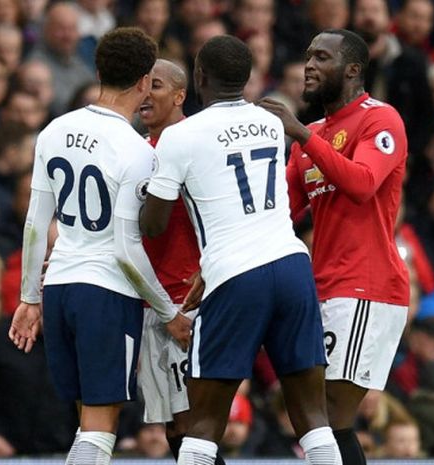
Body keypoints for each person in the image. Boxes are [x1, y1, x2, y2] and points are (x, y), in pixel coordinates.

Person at [141, 35, 340, 465]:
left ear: (199, 77)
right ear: (247, 77)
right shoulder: (270, 122)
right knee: (313, 417)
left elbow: (154, 224)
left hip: (234, 274)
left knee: (204, 423)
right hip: (290, 265)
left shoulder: (181, 136)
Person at [8, 28, 191, 465]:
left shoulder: (54, 130)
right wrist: (169, 313)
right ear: (145, 81)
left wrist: (29, 297)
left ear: (98, 70)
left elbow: (36, 225)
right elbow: (127, 249)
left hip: (60, 288)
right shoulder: (137, 152)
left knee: (85, 422)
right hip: (106, 292)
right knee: (99, 425)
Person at [259, 28, 409, 465]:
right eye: (307, 55)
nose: (309, 65)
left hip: (367, 287)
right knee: (312, 419)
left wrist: (301, 135)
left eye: (321, 57)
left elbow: (362, 184)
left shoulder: (380, 119)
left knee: (325, 416)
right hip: (320, 287)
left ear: (352, 69)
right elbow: (279, 211)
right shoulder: (315, 135)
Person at [138, 58, 226, 464]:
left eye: (154, 85)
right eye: (141, 85)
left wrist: (210, 272)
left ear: (179, 95)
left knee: (193, 423)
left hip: (186, 303)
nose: (145, 93)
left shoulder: (196, 145)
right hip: (150, 299)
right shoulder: (139, 151)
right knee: (176, 426)